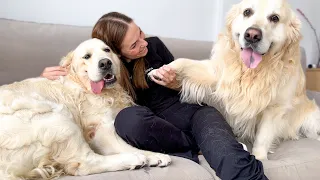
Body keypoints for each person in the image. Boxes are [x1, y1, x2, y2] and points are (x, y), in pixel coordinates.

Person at [41, 12, 268, 180]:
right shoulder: (105, 68)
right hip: (156, 130)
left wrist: (175, 82)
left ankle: (209, 147)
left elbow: (186, 85)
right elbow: (78, 86)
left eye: (140, 33)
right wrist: (51, 75)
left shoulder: (155, 45)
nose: (143, 43)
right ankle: (196, 147)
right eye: (134, 44)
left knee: (229, 157)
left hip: (193, 116)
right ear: (116, 52)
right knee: (128, 120)